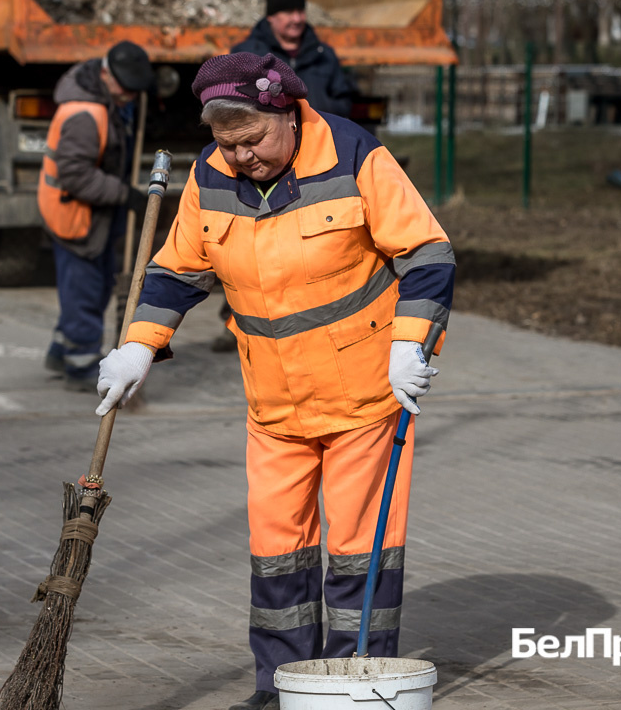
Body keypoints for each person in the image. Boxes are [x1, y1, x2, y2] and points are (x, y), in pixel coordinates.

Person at [95, 53, 455, 710]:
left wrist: (411, 344)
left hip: (364, 400)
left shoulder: (355, 157)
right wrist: (137, 350)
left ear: (286, 114)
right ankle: (283, 688)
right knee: (277, 557)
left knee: (355, 557)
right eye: (227, 145)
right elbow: (177, 271)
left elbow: (428, 254)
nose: (241, 157)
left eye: (252, 141)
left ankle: (353, 687)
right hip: (274, 407)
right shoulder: (210, 176)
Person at [208, 0, 357, 352]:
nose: (296, 19)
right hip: (267, 164)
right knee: (254, 243)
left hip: (318, 157)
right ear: (271, 17)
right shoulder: (251, 56)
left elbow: (345, 96)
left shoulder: (323, 53)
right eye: (288, 12)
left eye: (300, 11)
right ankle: (240, 323)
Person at [39, 40, 156, 392]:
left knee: (95, 284)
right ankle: (81, 365)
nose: (130, 96)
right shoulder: (85, 114)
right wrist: (124, 194)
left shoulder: (110, 100)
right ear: (105, 73)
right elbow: (75, 174)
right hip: (75, 215)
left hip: (95, 212)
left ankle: (62, 350)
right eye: (125, 89)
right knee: (86, 291)